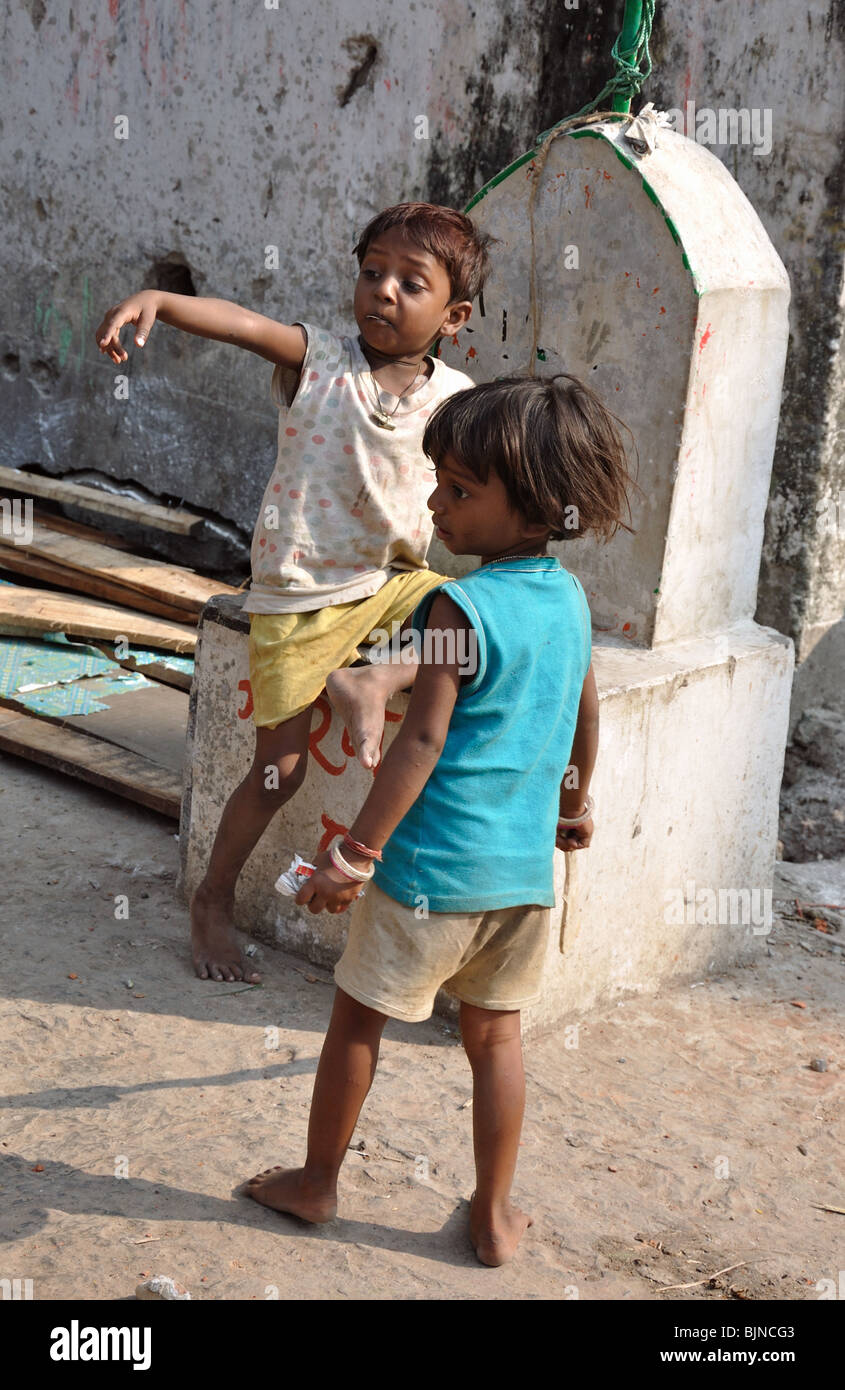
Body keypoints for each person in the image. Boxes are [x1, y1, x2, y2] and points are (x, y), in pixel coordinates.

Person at [243, 372, 639, 1266]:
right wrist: (572, 805)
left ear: (535, 503)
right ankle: (494, 1215)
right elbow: (584, 713)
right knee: (495, 1038)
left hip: (429, 876)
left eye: (459, 491)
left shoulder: (458, 607)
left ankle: (314, 1184)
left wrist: (355, 853)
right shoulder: (569, 602)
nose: (435, 503)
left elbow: (419, 743)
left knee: (357, 1024)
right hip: (520, 884)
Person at [94, 203, 494, 984]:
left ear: (455, 315)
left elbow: (496, 463)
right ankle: (212, 899)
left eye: (410, 283)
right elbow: (242, 324)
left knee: (474, 626)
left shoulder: (458, 399)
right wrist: (162, 305)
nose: (382, 292)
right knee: (280, 773)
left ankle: (369, 679)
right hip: (299, 596)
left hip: (392, 585)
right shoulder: (319, 361)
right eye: (371, 272)